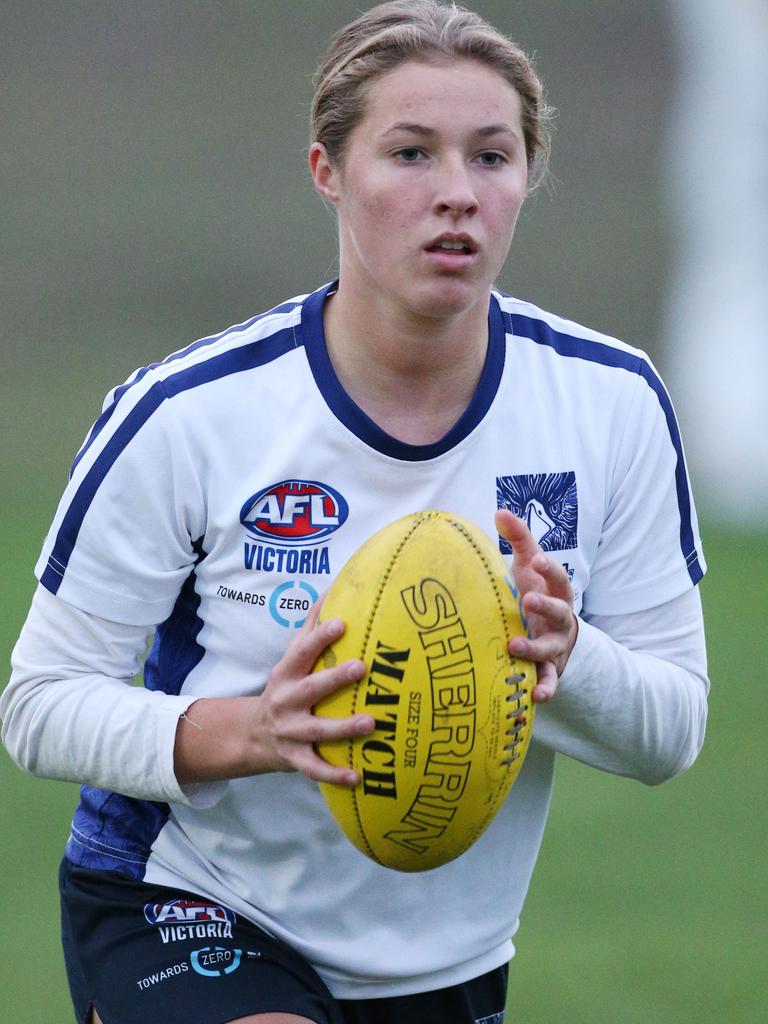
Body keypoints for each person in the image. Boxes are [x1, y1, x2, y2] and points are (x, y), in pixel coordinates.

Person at [0, 2, 709, 1022]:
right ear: (328, 170)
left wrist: (570, 658)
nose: (457, 195)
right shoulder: (190, 416)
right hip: (190, 898)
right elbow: (38, 706)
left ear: (526, 180)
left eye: (493, 157)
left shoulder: (609, 403)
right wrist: (252, 729)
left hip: (444, 959)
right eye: (411, 153)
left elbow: (673, 731)